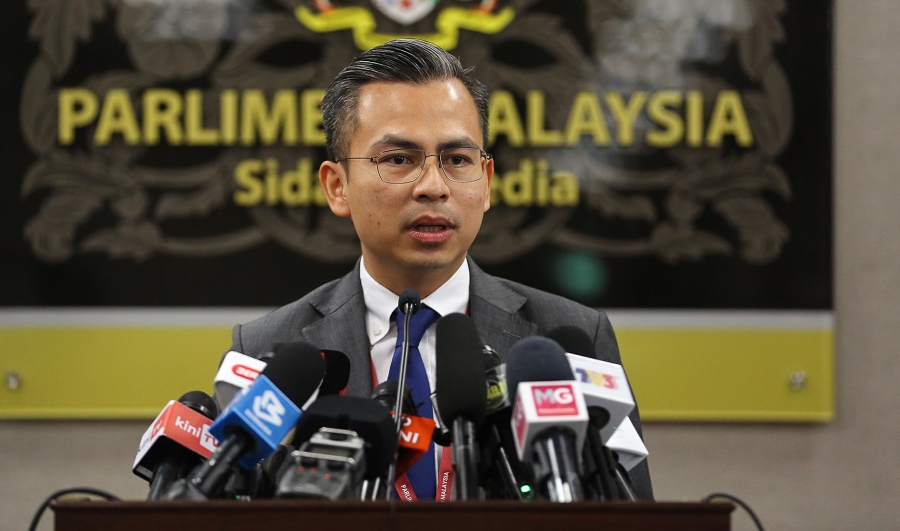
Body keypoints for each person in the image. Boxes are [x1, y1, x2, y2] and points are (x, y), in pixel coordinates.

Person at [228, 38, 653, 500]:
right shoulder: (269, 350)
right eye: (398, 160)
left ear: (486, 184)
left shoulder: (571, 339)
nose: (433, 187)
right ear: (337, 186)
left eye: (456, 160)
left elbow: (629, 513)